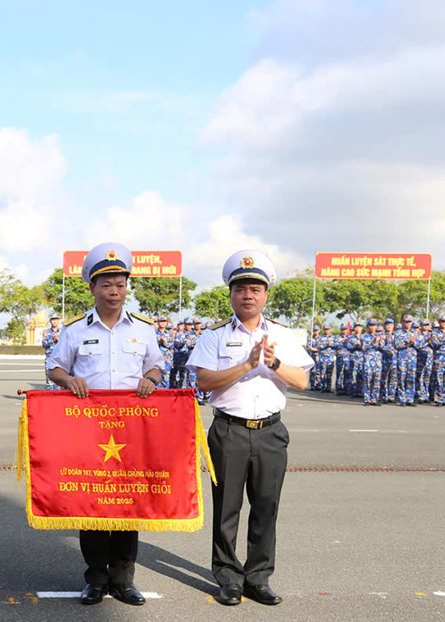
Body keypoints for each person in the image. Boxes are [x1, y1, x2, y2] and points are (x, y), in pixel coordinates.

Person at [187, 249, 314, 607]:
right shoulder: (213, 336)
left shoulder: (283, 335)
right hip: (228, 431)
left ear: (265, 295)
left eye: (255, 289)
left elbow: (301, 380)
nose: (247, 295)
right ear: (230, 294)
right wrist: (246, 364)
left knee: (265, 507)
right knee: (226, 509)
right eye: (241, 288)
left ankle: (259, 578)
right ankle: (228, 577)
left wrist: (272, 362)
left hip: (271, 432)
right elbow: (205, 381)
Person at [46, 242, 165, 607]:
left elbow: (156, 365)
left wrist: (152, 379)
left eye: (120, 284)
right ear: (92, 288)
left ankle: (124, 578)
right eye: (107, 284)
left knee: (129, 502)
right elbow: (54, 367)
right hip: (89, 429)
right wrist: (69, 381)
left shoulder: (143, 329)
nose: (115, 291)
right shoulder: (74, 330)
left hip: (132, 429)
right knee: (93, 501)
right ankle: (95, 578)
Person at [41, 313, 61, 390]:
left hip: (60, 359)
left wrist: (59, 340)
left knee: (59, 380)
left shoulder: (63, 331)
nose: (54, 321)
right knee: (49, 380)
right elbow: (44, 344)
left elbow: (67, 344)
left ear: (58, 320)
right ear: (50, 321)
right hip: (49, 359)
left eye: (56, 319)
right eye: (53, 320)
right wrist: (52, 340)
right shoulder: (46, 332)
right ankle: (50, 396)